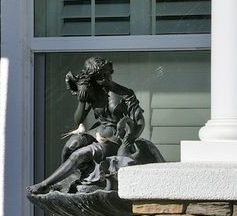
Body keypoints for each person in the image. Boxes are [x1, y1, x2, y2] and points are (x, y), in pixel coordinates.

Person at [27, 56, 158, 197]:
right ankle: (65, 179)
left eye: (107, 74)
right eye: (100, 77)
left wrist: (129, 139)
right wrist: (82, 101)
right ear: (93, 78)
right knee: (71, 145)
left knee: (79, 154)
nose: (105, 79)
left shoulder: (125, 94)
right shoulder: (95, 93)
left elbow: (139, 121)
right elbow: (79, 119)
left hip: (114, 139)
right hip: (96, 132)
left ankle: (45, 184)